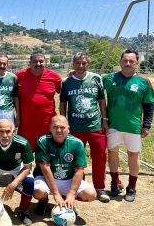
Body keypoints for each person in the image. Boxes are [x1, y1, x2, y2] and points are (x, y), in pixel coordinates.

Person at [102, 49, 154, 202]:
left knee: (133, 155)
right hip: (113, 125)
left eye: (131, 61)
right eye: (125, 60)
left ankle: (131, 187)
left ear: (136, 64)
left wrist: (146, 125)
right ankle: (115, 183)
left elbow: (149, 104)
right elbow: (93, 84)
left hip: (133, 126)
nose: (127, 63)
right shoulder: (109, 79)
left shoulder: (144, 81)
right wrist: (73, 73)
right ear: (120, 62)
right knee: (112, 153)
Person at [59, 52, 110, 203]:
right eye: (77, 63)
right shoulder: (67, 83)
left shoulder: (96, 78)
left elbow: (101, 100)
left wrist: (105, 119)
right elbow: (63, 104)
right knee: (75, 160)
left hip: (95, 126)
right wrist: (64, 123)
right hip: (75, 128)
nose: (80, 66)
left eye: (84, 63)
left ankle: (100, 188)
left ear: (88, 64)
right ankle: (80, 186)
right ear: (73, 64)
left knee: (100, 157)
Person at [33, 115, 96, 216]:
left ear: (68, 129)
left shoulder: (77, 143)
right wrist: (56, 194)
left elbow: (79, 171)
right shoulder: (43, 141)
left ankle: (67, 201)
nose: (59, 130)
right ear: (50, 128)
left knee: (91, 195)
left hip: (68, 179)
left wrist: (71, 193)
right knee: (38, 192)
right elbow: (45, 168)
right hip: (46, 177)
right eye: (55, 127)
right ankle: (43, 200)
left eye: (62, 127)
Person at [0, 119, 35, 225]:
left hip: (18, 166)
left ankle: (22, 210)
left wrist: (14, 184)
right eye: (1, 131)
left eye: (8, 131)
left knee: (29, 182)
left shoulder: (23, 143)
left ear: (13, 131)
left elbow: (27, 167)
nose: (5, 135)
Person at [16, 52, 62, 150]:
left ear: (45, 62)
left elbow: (63, 92)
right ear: (30, 63)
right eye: (35, 61)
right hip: (26, 123)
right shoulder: (20, 75)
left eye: (41, 61)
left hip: (47, 123)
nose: (38, 64)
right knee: (25, 152)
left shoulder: (54, 76)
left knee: (47, 152)